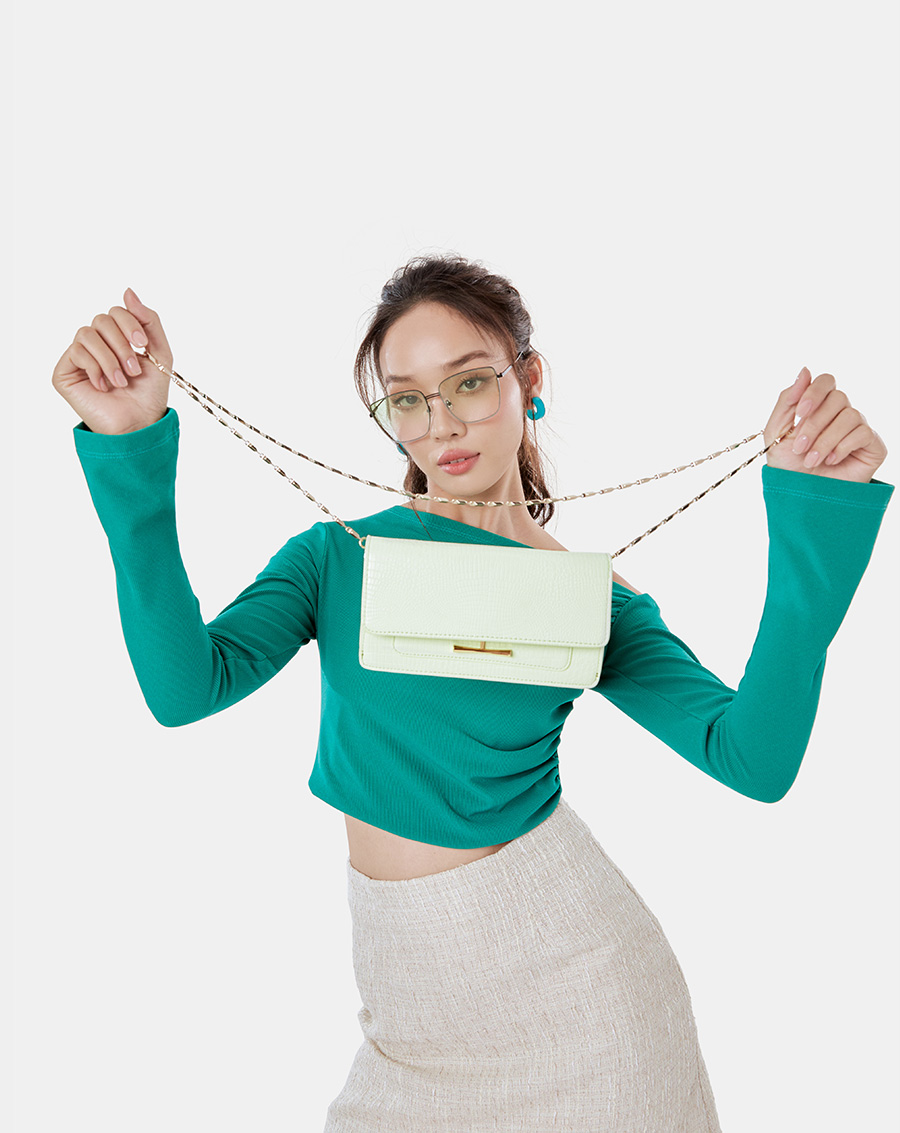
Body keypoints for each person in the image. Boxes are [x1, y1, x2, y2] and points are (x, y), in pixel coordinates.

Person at [52, 256, 892, 1132]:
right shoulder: (336, 557)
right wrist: (126, 446)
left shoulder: (590, 599)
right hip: (406, 1024)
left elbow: (752, 758)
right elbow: (185, 688)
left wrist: (817, 523)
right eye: (407, 398)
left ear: (529, 381)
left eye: (470, 382)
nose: (441, 422)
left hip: (588, 1008)